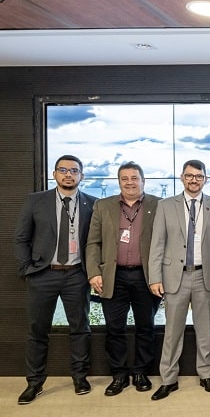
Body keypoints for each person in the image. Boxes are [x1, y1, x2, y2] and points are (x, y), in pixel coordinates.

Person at [14, 155, 98, 404]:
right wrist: (28, 268)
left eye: (74, 170)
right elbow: (20, 238)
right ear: (55, 174)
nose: (68, 174)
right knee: (37, 330)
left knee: (80, 329)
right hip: (43, 274)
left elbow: (97, 242)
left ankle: (80, 377)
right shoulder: (36, 201)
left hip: (76, 275)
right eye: (63, 170)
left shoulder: (93, 204)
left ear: (82, 175)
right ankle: (34, 382)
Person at [147, 160, 210, 400]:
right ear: (182, 177)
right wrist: (155, 277)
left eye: (198, 176)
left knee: (205, 329)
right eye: (189, 176)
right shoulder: (166, 205)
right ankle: (168, 379)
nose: (194, 180)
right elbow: (157, 244)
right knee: (172, 331)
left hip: (205, 275)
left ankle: (207, 374)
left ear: (205, 179)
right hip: (174, 277)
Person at [86, 161, 161, 396]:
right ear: (119, 182)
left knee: (145, 327)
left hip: (145, 276)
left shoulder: (158, 205)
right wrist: (94, 272)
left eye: (134, 178)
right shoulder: (103, 206)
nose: (130, 182)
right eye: (124, 178)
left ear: (143, 180)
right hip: (113, 276)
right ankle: (119, 375)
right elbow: (93, 242)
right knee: (114, 329)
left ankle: (140, 372)